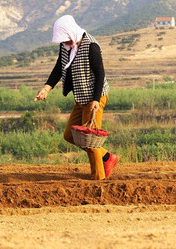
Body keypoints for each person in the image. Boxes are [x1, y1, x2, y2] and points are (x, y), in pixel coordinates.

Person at [35, 15, 119, 180]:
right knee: (69, 135)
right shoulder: (66, 46)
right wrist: (47, 88)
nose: (64, 43)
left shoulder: (91, 46)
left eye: (65, 40)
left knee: (89, 139)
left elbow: (100, 73)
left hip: (95, 97)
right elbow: (59, 67)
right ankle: (107, 157)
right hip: (80, 98)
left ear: (71, 33)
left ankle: (99, 179)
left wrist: (95, 100)